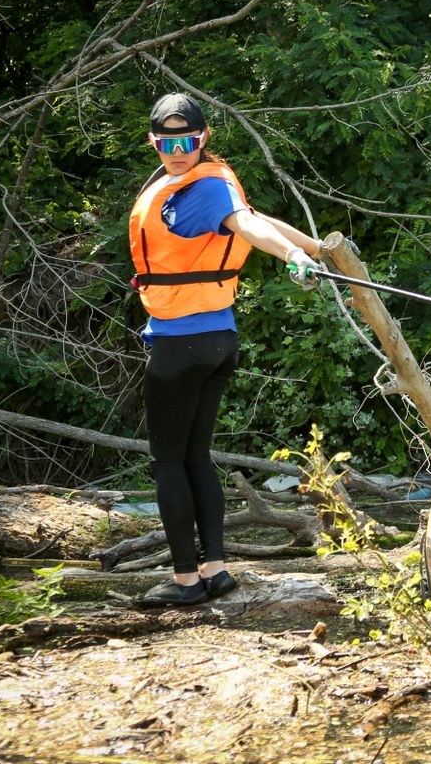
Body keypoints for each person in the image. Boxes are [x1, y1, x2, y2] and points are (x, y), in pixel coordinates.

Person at [129, 93, 325, 607]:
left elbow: (248, 226)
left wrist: (293, 257)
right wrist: (315, 250)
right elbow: (255, 216)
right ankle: (215, 571)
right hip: (220, 343)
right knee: (196, 456)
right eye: (166, 141)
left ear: (203, 138)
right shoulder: (207, 182)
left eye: (186, 140)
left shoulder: (198, 192)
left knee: (169, 461)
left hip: (179, 347)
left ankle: (186, 581)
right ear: (153, 141)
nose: (176, 150)